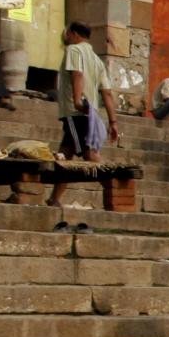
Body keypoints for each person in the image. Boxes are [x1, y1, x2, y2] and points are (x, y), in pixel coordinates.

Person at [49, 22, 116, 203]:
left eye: (67, 34)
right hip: (89, 114)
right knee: (66, 155)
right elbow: (107, 92)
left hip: (75, 112)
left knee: (91, 155)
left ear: (73, 34)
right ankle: (54, 199)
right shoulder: (96, 59)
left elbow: (77, 74)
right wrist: (113, 121)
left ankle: (116, 189)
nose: (66, 37)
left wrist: (77, 100)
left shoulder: (74, 50)